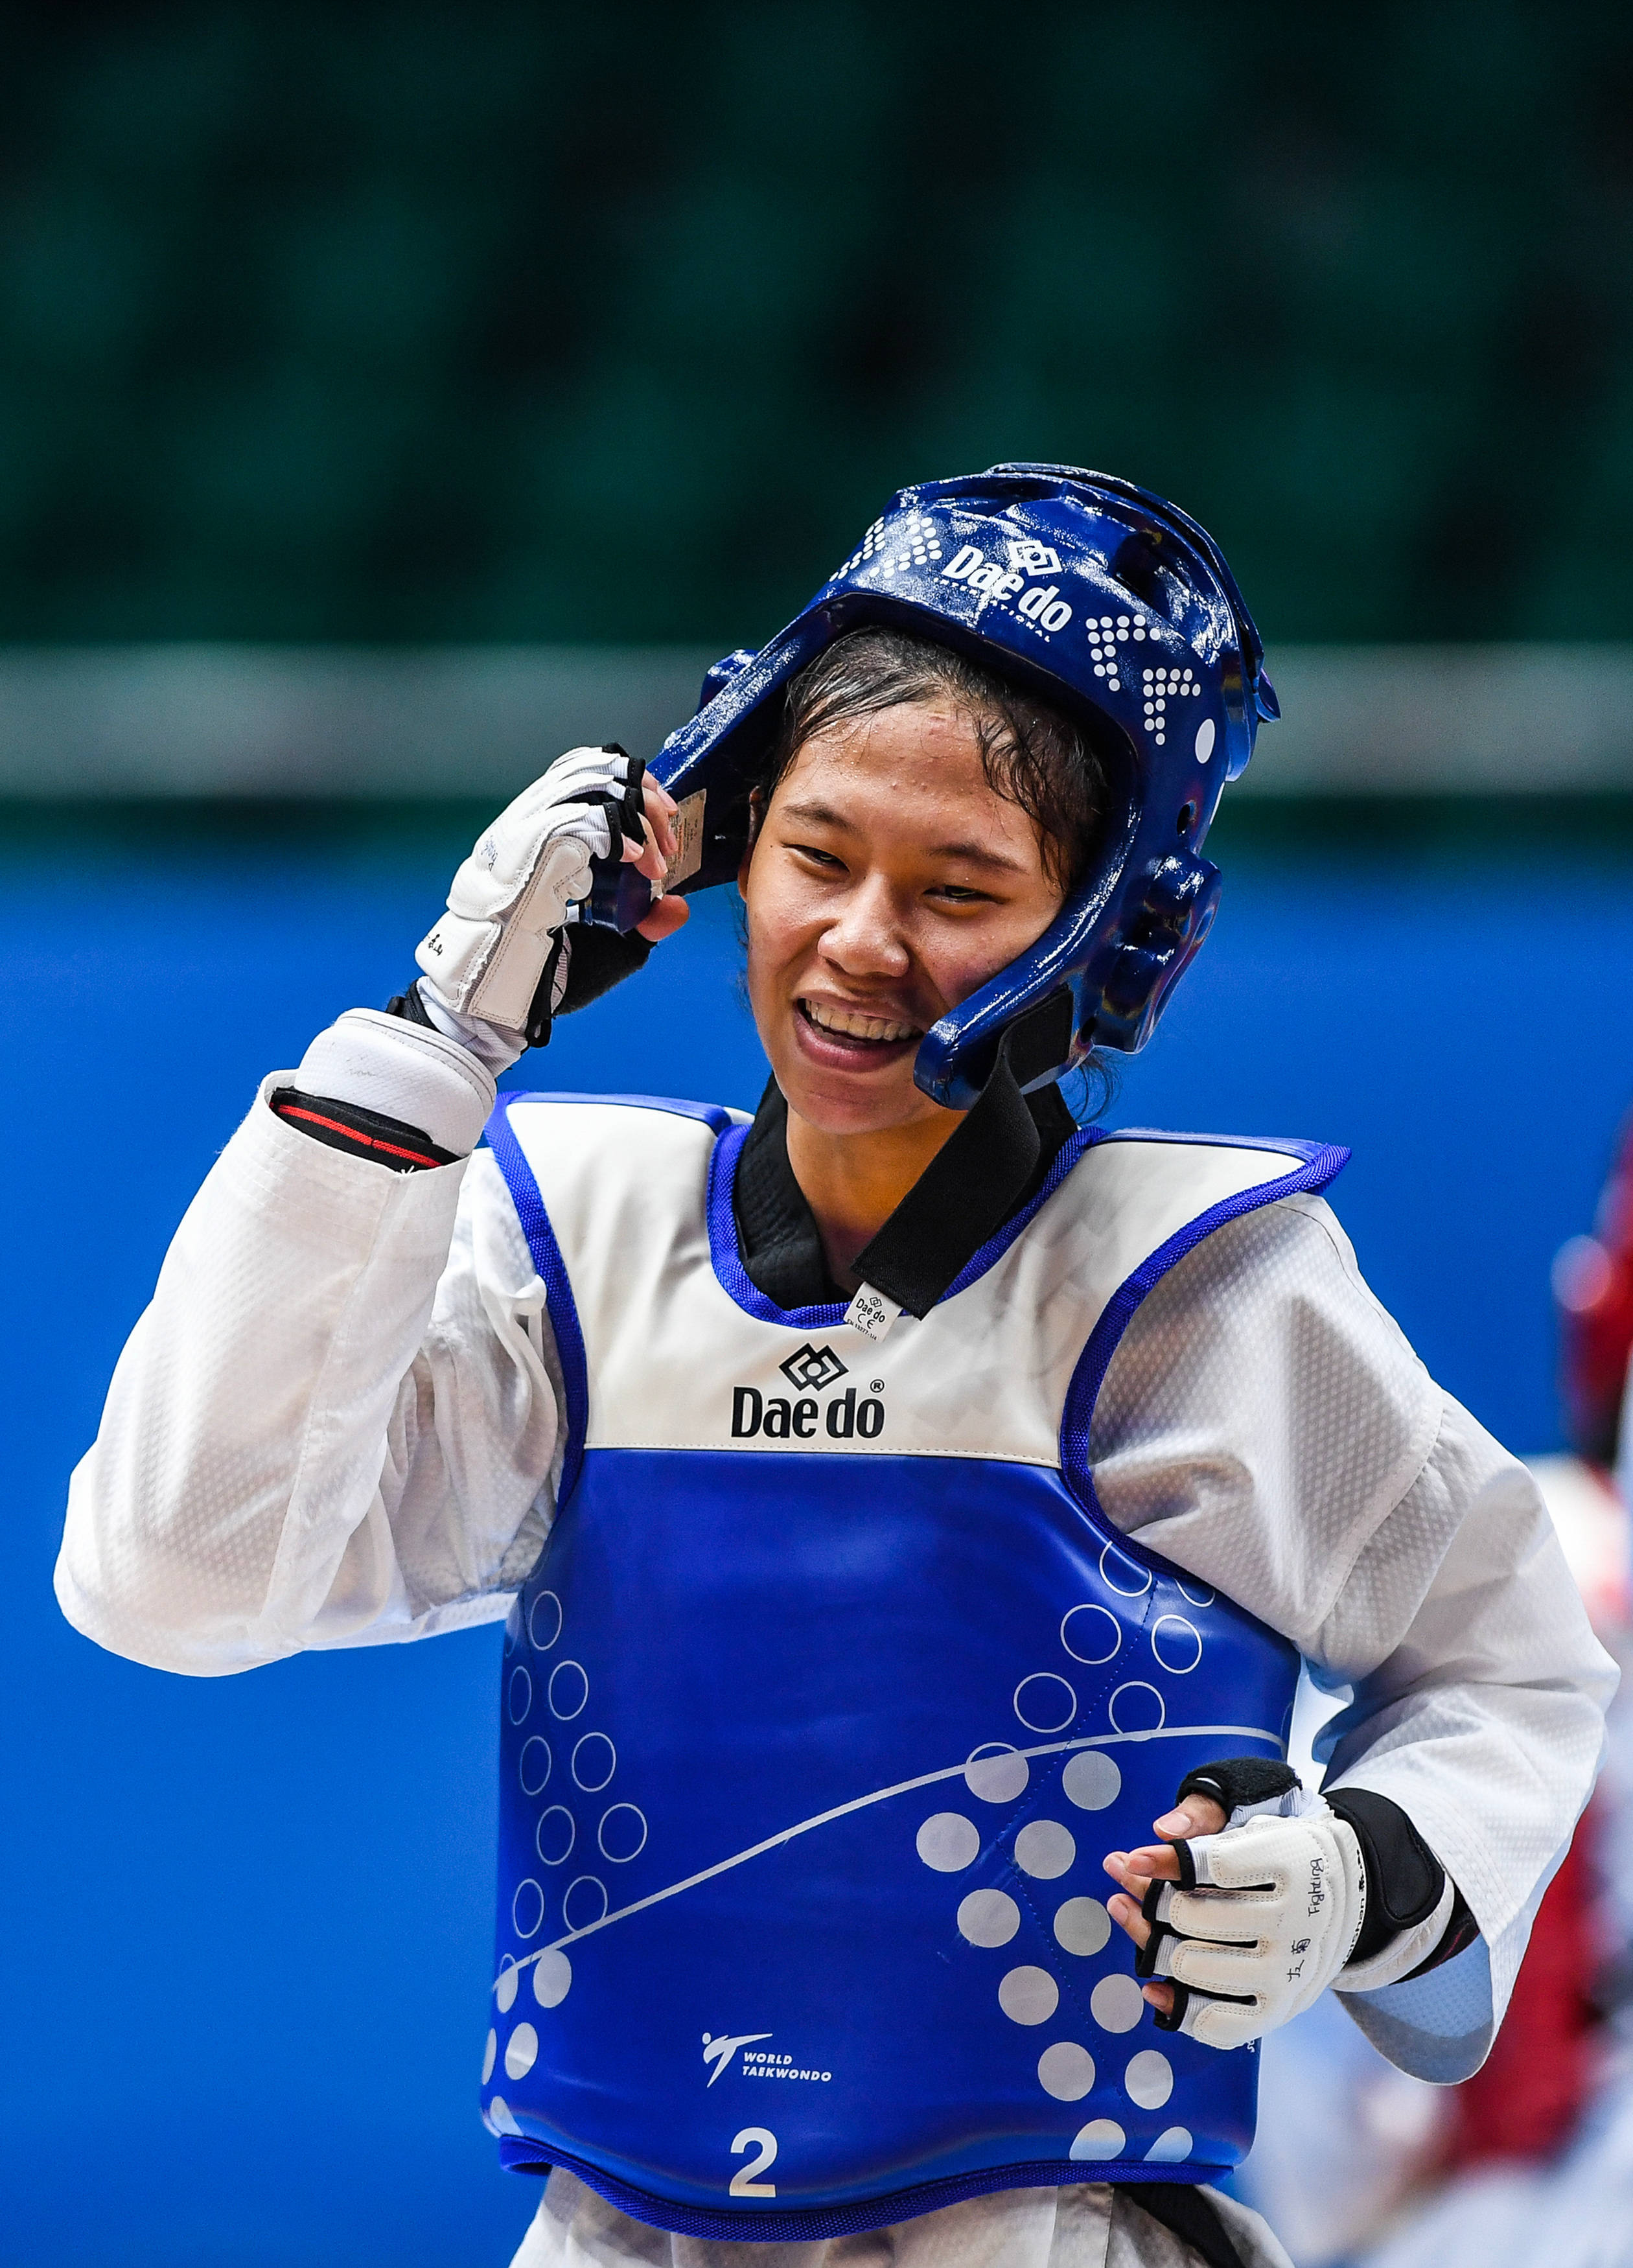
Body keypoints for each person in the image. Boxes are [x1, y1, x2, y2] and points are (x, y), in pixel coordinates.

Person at [56, 467, 1615, 2268]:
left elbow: (1510, 1660)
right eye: (813, 855)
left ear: (1116, 934)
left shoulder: (1205, 1296)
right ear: (723, 835)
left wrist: (1359, 1870)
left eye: (961, 886)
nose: (861, 941)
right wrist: (436, 1037)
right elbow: (175, 1572)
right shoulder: (573, 1244)